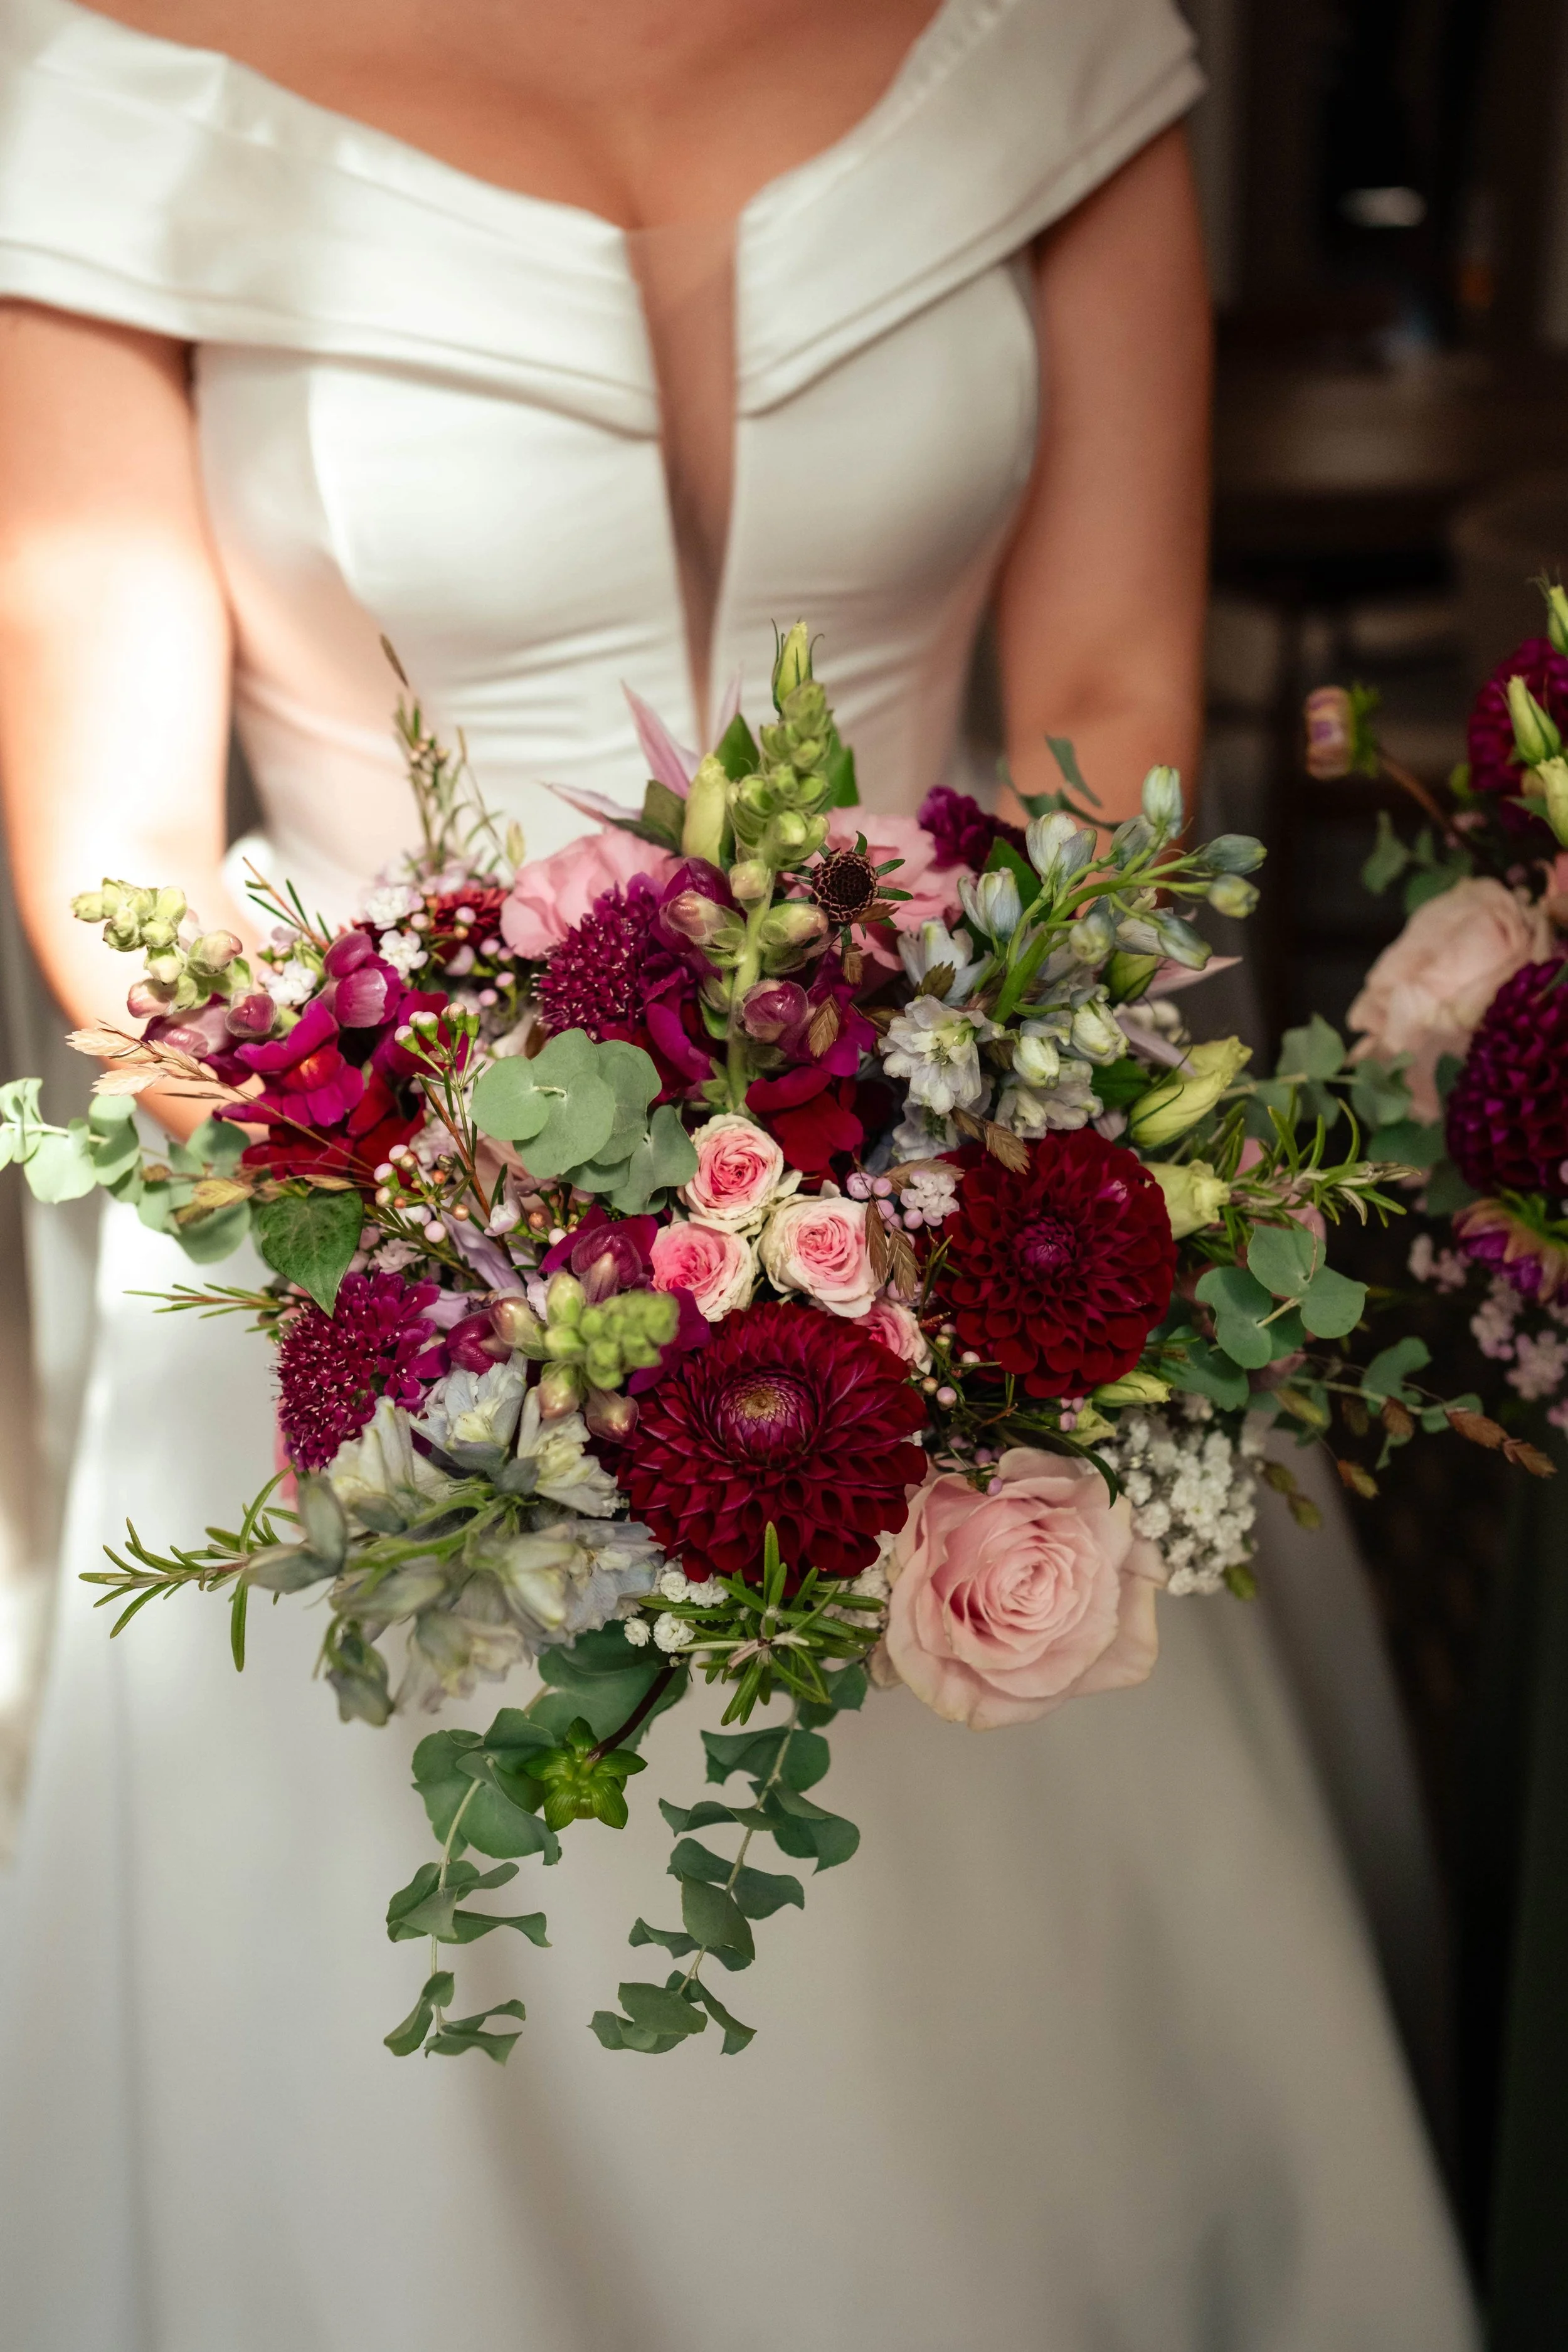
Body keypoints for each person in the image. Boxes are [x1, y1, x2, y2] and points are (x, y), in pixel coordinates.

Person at [0, 1, 1478, 2344]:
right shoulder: (110, 84)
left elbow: (1102, 679)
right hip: (377, 1283)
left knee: (1024, 2142)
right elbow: (122, 891)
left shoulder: (1051, 45)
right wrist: (494, 1256)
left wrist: (934, 1152)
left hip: (962, 1211)